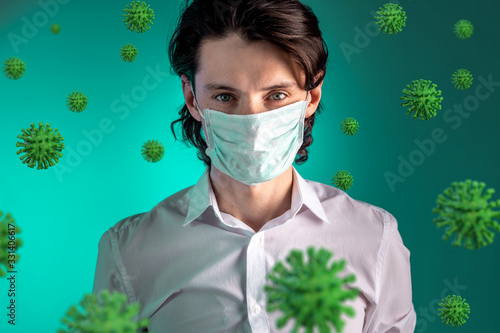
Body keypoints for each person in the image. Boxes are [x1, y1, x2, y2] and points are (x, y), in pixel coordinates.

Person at [92, 0, 417, 332]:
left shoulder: (374, 237)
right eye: (224, 96)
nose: (253, 123)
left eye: (276, 96)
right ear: (192, 98)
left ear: (312, 95)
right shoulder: (129, 251)